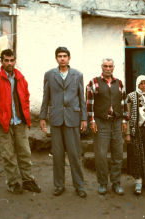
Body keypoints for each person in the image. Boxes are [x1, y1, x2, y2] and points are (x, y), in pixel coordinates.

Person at [0, 49, 41, 194]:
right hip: (4, 124)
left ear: (15, 61)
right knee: (8, 155)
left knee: (25, 153)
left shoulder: (20, 78)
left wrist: (25, 115)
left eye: (12, 60)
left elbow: (26, 98)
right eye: (6, 60)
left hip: (19, 122)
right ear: (1, 62)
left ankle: (28, 180)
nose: (9, 63)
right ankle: (13, 183)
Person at [39, 47, 88, 198]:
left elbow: (81, 98)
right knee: (58, 155)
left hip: (72, 119)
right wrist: (42, 117)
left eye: (65, 56)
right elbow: (46, 97)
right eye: (59, 56)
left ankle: (79, 186)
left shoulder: (77, 75)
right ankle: (59, 185)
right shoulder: (49, 75)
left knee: (74, 154)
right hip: (56, 119)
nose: (62, 58)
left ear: (69, 58)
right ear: (56, 59)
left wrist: (84, 118)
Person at [86, 58, 128, 195]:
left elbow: (123, 103)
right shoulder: (94, 82)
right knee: (101, 155)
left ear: (113, 67)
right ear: (101, 67)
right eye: (105, 66)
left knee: (118, 154)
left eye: (110, 66)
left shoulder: (119, 83)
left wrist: (123, 120)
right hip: (101, 122)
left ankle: (116, 183)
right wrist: (91, 121)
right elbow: (89, 103)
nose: (108, 68)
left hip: (116, 123)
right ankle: (103, 183)